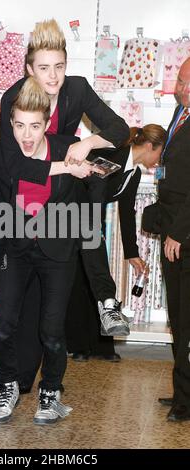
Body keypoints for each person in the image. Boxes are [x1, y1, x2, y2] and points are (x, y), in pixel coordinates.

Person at [0, 19, 129, 368]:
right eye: (44, 68)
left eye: (59, 67)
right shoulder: (13, 98)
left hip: (56, 185)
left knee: (88, 224)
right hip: (18, 181)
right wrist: (68, 162)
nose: (53, 77)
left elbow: (119, 129)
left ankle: (106, 303)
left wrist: (88, 142)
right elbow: (12, 165)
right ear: (29, 68)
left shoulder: (76, 89)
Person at [0, 77, 97, 424]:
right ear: (10, 123)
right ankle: (8, 385)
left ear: (47, 124)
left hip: (57, 251)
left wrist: (91, 162)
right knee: (4, 326)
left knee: (51, 330)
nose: (26, 135)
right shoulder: (5, 152)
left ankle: (51, 393)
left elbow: (100, 176)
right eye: (19, 126)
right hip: (15, 248)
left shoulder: (68, 147)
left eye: (34, 126)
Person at [66, 124, 167, 362]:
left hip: (89, 223)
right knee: (80, 281)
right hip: (72, 216)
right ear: (150, 147)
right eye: (160, 152)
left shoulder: (134, 173)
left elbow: (127, 211)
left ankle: (99, 346)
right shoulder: (113, 156)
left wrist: (132, 253)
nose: (160, 159)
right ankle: (79, 345)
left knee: (93, 281)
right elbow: (89, 189)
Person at [153, 57, 190, 422]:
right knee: (177, 316)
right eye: (180, 80)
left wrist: (178, 232)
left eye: (185, 82)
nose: (180, 88)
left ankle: (186, 399)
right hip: (171, 226)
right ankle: (182, 390)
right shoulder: (180, 113)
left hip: (184, 231)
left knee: (186, 316)